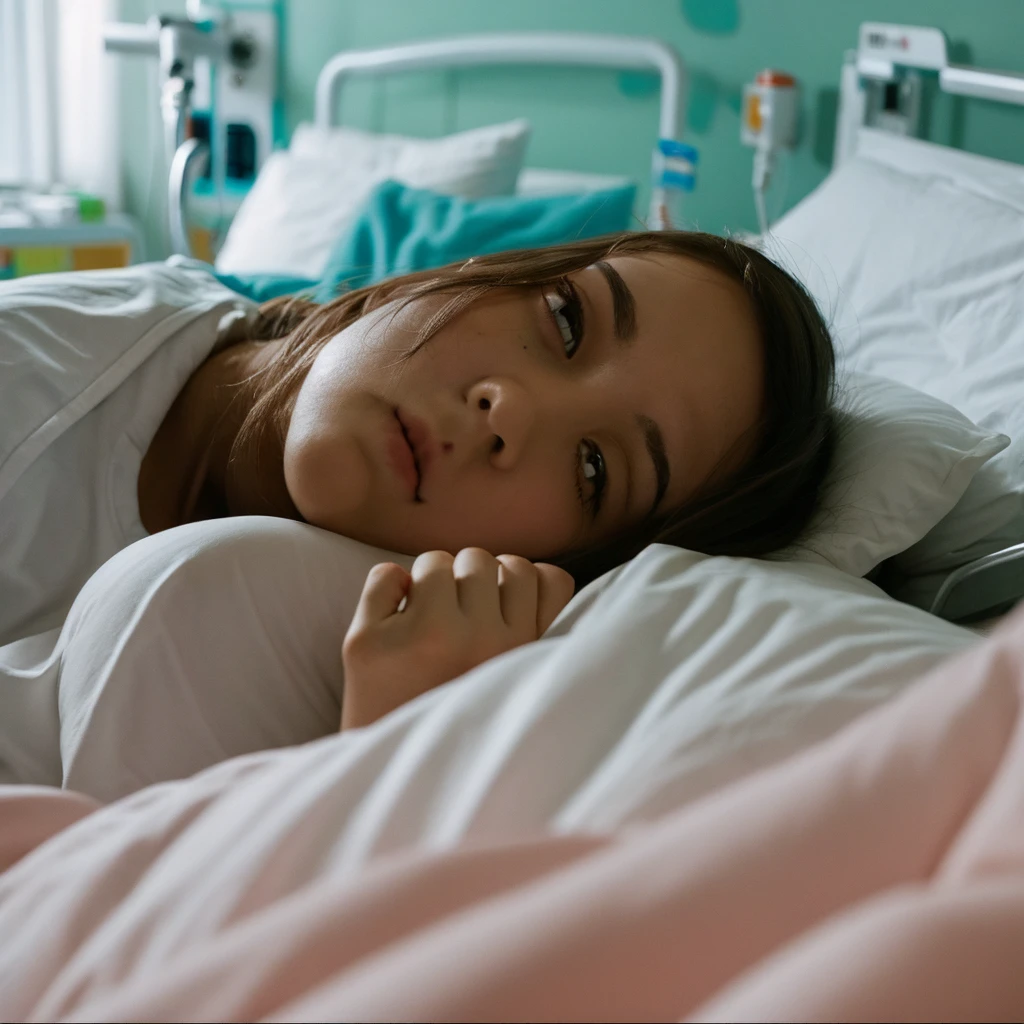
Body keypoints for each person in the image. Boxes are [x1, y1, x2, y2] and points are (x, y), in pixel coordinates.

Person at [1, 231, 836, 719]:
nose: (508, 410)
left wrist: (397, 744)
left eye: (593, 469)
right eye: (566, 317)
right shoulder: (42, 362)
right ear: (478, 269)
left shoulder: (368, 677)